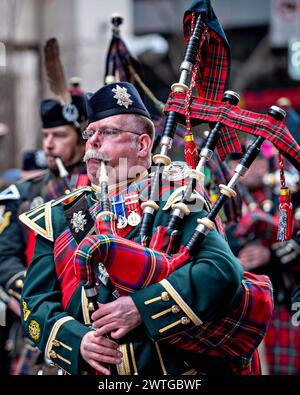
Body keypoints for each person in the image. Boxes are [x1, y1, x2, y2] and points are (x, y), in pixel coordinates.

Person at [20, 82, 272, 375]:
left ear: (142, 145)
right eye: (90, 133)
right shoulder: (58, 217)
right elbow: (35, 304)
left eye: (110, 132)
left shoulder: (177, 199)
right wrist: (79, 342)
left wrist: (141, 308)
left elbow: (222, 270)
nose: (93, 142)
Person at [0, 94, 89, 374]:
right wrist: (34, 291)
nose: (49, 144)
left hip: (95, 325)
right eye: (45, 135)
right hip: (37, 324)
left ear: (82, 139)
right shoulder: (23, 195)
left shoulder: (103, 189)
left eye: (60, 135)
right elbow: (4, 257)